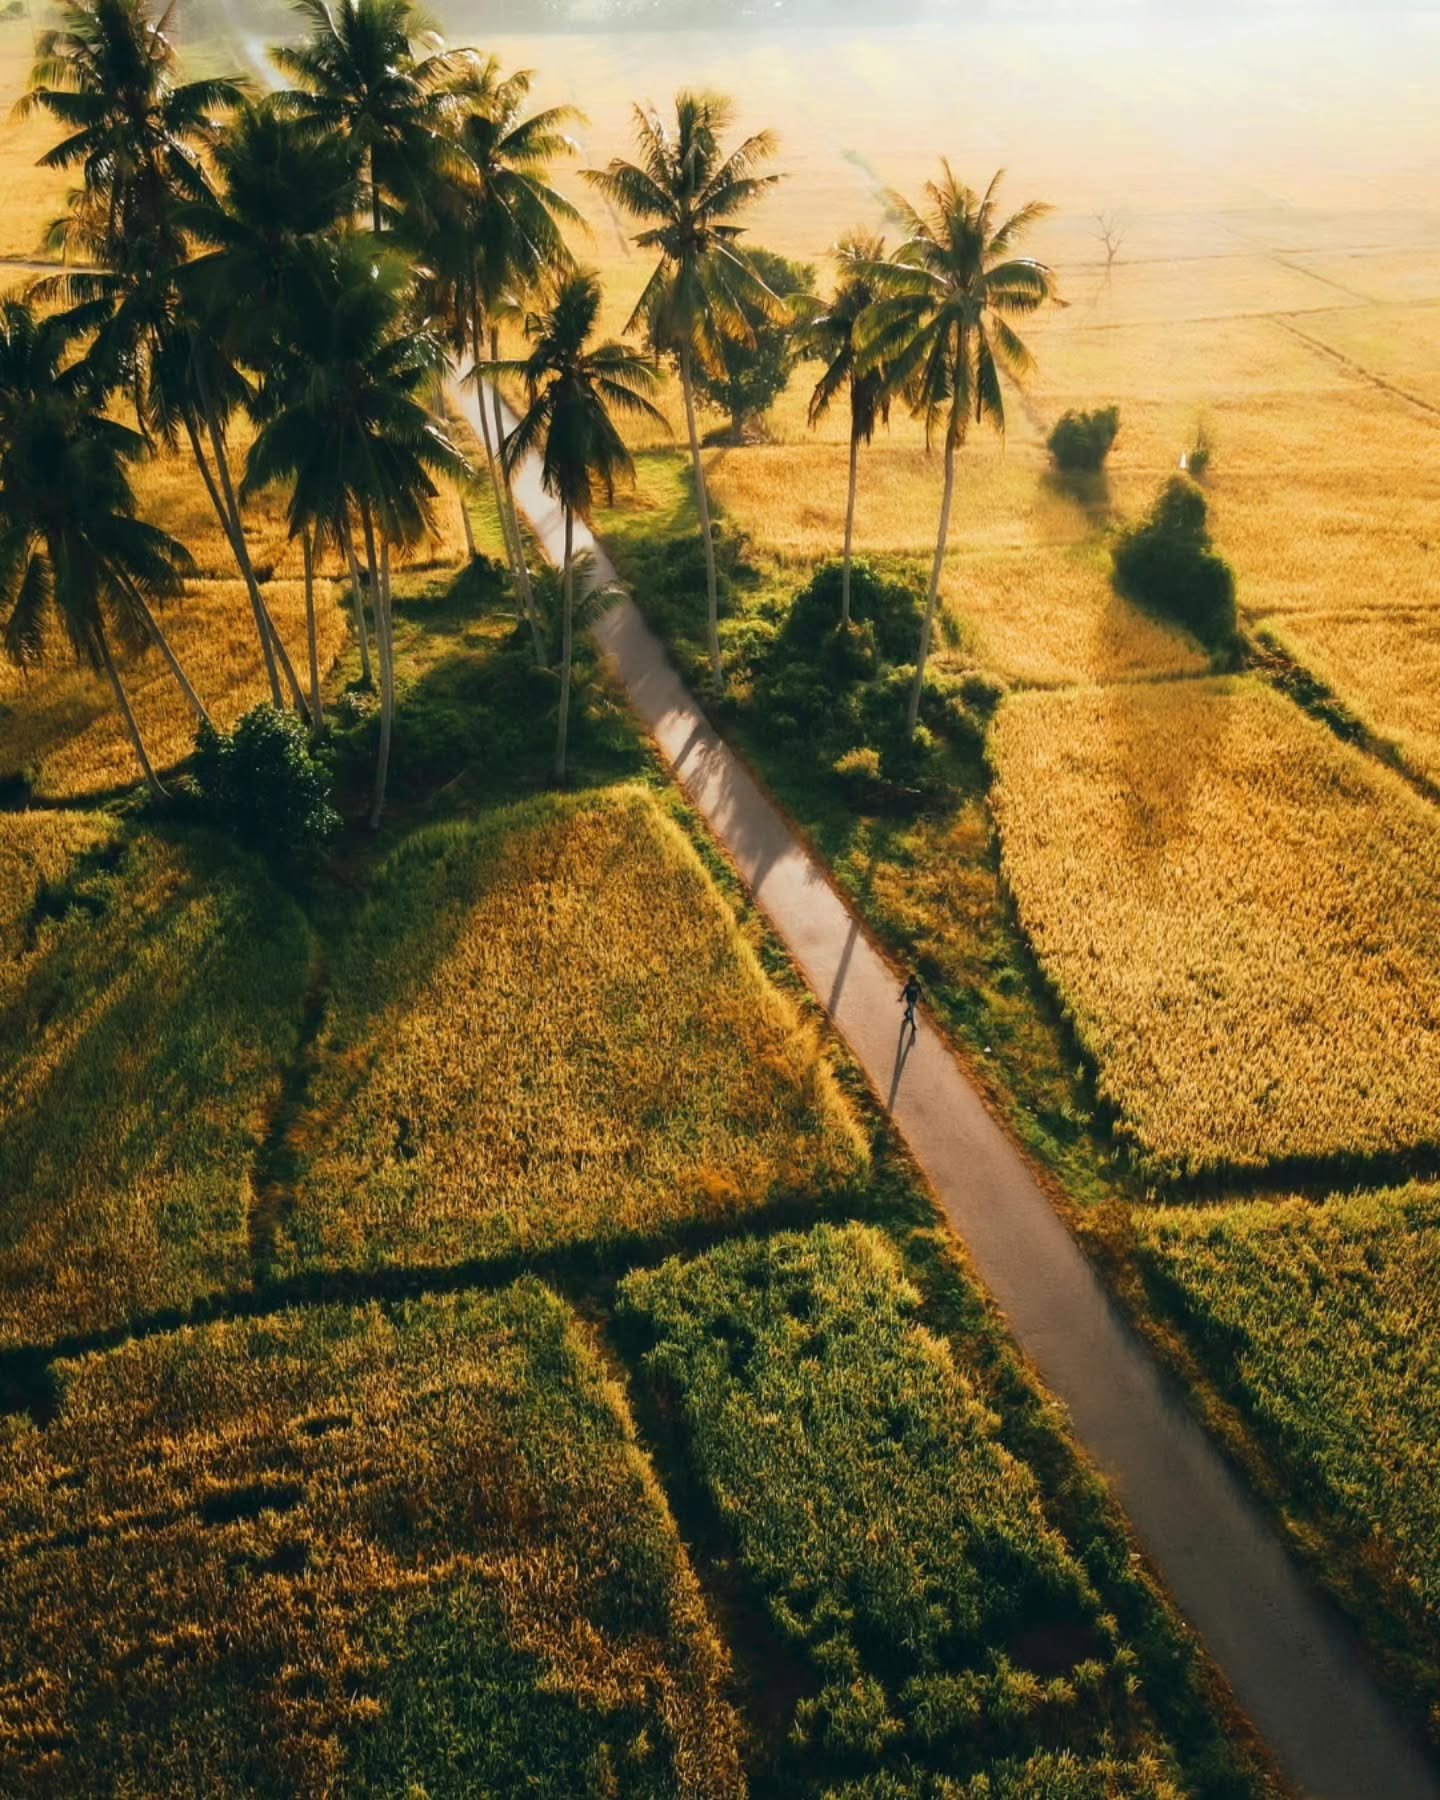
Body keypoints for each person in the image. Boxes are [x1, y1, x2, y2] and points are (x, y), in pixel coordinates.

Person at [900, 972, 922, 1039]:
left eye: (913, 980)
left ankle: (906, 1012)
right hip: (909, 1000)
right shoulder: (908, 985)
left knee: (910, 1008)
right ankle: (913, 1026)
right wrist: (901, 997)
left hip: (914, 999)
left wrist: (921, 997)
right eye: (911, 980)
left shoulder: (917, 984)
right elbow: (904, 992)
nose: (912, 981)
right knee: (912, 1013)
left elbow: (920, 991)